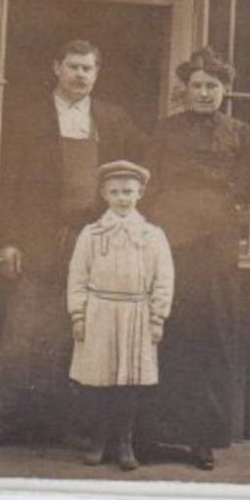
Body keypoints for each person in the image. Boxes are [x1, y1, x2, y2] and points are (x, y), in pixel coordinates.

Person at [0, 39, 149, 449]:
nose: (81, 75)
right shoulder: (28, 117)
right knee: (22, 331)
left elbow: (145, 166)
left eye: (89, 69)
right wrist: (8, 239)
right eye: (74, 67)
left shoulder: (113, 120)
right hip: (39, 237)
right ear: (56, 68)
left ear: (97, 75)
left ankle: (70, 427)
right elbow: (5, 180)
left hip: (92, 241)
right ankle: (0, 422)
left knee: (81, 333)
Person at [144, 47, 250, 470]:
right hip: (169, 239)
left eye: (213, 86)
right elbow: (148, 180)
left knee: (211, 332)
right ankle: (157, 435)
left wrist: (234, 192)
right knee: (167, 328)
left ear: (225, 90)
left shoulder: (239, 132)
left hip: (215, 244)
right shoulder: (165, 131)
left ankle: (202, 440)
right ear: (185, 90)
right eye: (197, 86)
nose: (204, 93)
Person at [66, 160, 174, 472]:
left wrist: (157, 318)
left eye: (128, 191)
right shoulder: (92, 234)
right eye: (115, 192)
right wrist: (78, 314)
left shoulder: (152, 235)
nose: (122, 198)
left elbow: (164, 279)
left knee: (129, 382)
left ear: (140, 193)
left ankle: (125, 443)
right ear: (103, 194)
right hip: (99, 311)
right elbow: (77, 276)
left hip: (137, 313)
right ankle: (98, 441)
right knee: (98, 381)